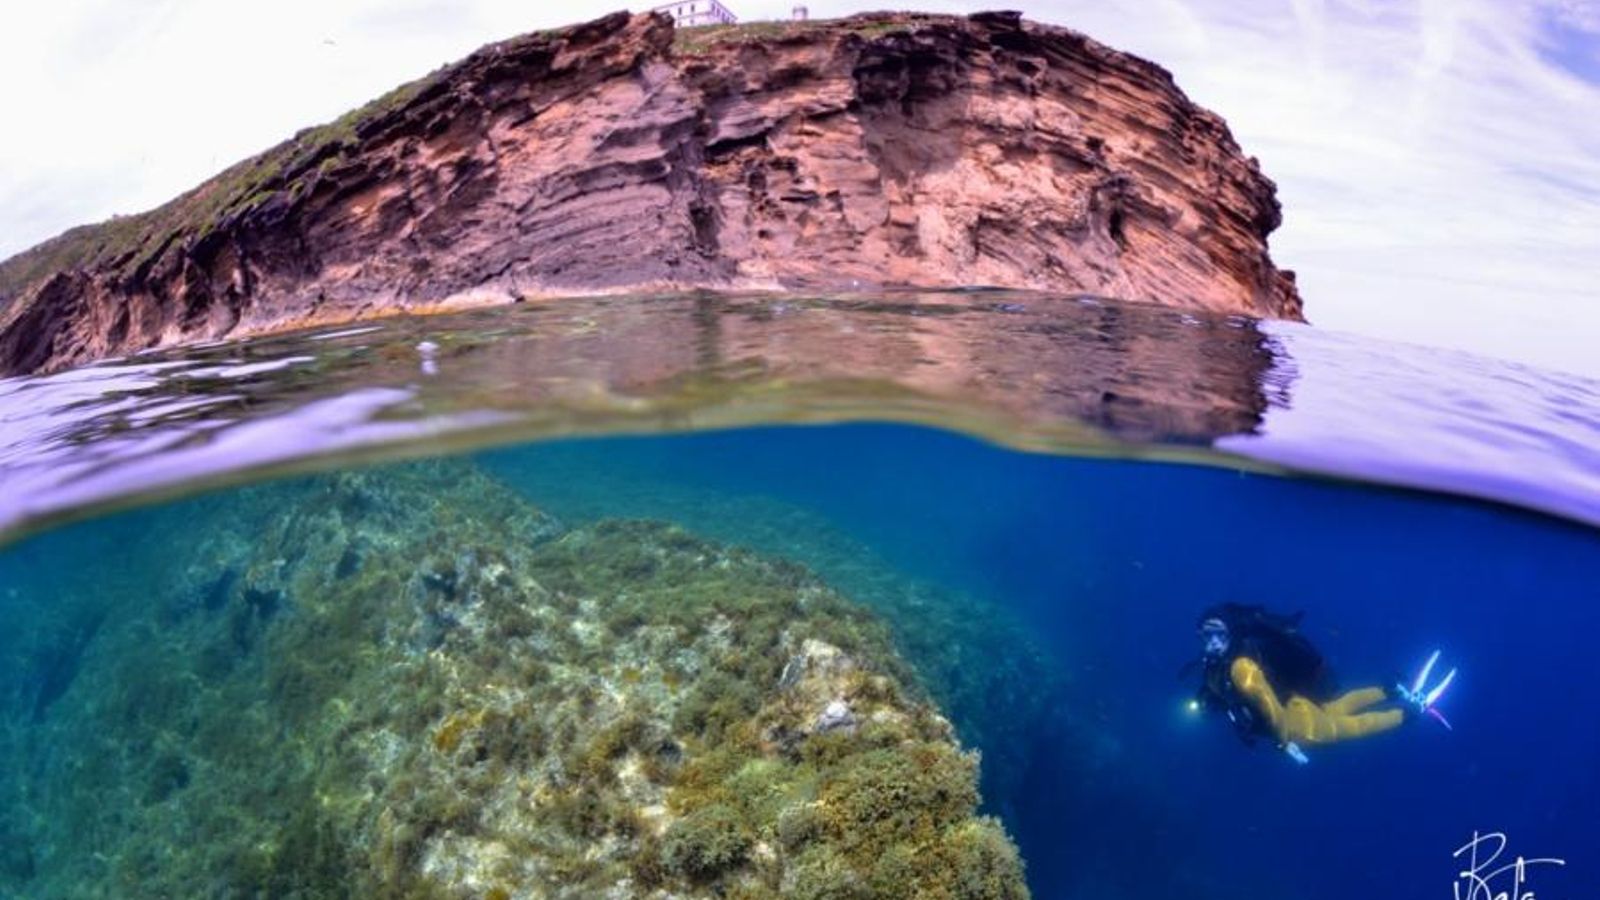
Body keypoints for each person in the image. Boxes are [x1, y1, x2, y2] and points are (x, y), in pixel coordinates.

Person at [1187, 602, 1455, 764]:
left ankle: (1412, 711)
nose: (1212, 644)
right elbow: (1233, 697)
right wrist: (1207, 700)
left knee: (1356, 726)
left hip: (1300, 728)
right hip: (1299, 707)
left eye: (1218, 635)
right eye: (1206, 636)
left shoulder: (1239, 667)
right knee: (1339, 707)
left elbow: (1266, 704)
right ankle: (1390, 689)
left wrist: (1282, 741)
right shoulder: (1215, 666)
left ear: (1231, 634)